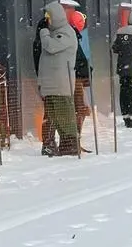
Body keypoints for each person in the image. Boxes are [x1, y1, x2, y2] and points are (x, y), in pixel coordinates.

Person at [37, 1, 80, 155]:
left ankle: (70, 145)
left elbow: (51, 46)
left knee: (64, 116)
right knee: (53, 116)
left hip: (61, 84)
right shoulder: (52, 33)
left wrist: (43, 33)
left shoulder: (66, 32)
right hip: (50, 85)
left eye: (49, 17)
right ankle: (53, 145)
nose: (47, 21)